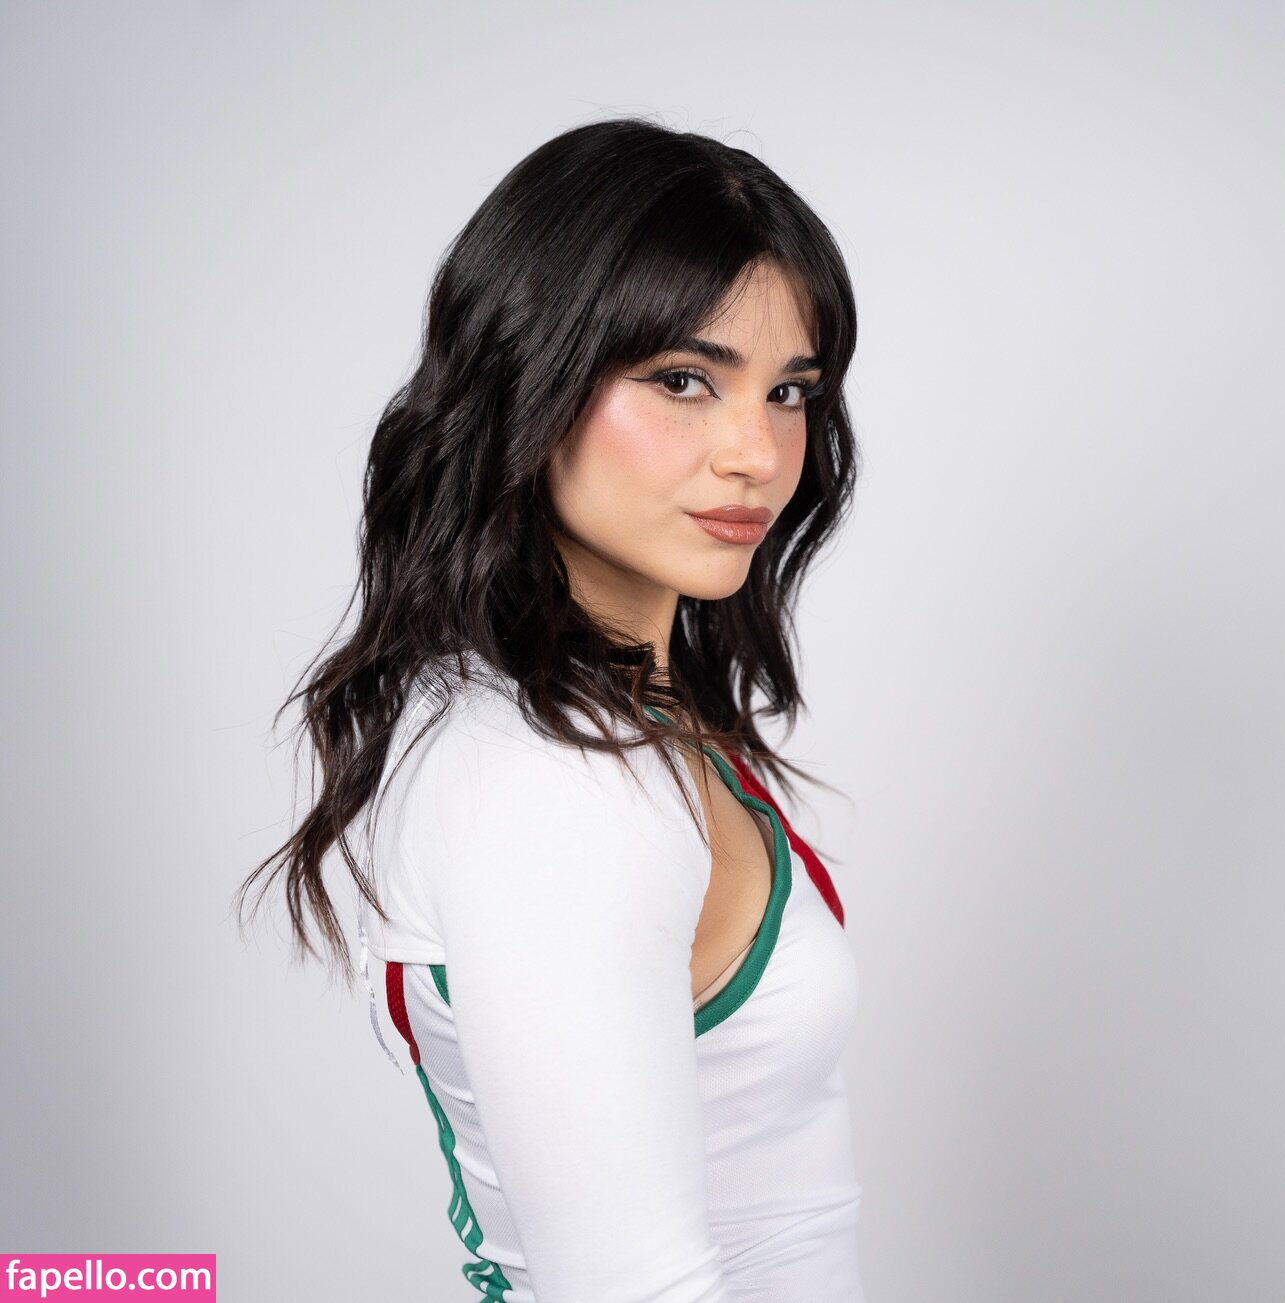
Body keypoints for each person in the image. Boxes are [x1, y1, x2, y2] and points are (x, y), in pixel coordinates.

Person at [238, 116, 865, 1302]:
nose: (756, 453)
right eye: (683, 380)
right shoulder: (551, 781)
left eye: (789, 391)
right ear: (530, 375)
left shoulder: (625, 716)